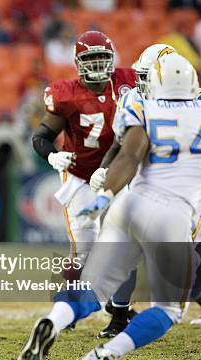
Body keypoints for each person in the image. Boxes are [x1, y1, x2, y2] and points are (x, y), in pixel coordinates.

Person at [18, 53, 201, 360]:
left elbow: (129, 155)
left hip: (129, 203)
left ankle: (55, 318)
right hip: (172, 215)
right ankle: (104, 354)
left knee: (93, 289)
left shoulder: (141, 105)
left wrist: (105, 192)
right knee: (168, 309)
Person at [91, 44, 201, 328]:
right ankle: (119, 315)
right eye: (141, 75)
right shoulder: (133, 97)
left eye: (148, 76)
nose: (141, 83)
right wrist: (104, 170)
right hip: (148, 181)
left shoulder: (200, 101)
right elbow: (123, 147)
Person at [31, 31, 136, 281]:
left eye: (103, 57)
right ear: (78, 63)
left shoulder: (127, 82)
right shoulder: (66, 93)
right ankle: (67, 300)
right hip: (80, 175)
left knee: (123, 241)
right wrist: (53, 157)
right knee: (85, 247)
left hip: (117, 172)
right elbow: (41, 137)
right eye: (92, 58)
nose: (99, 63)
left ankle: (118, 308)